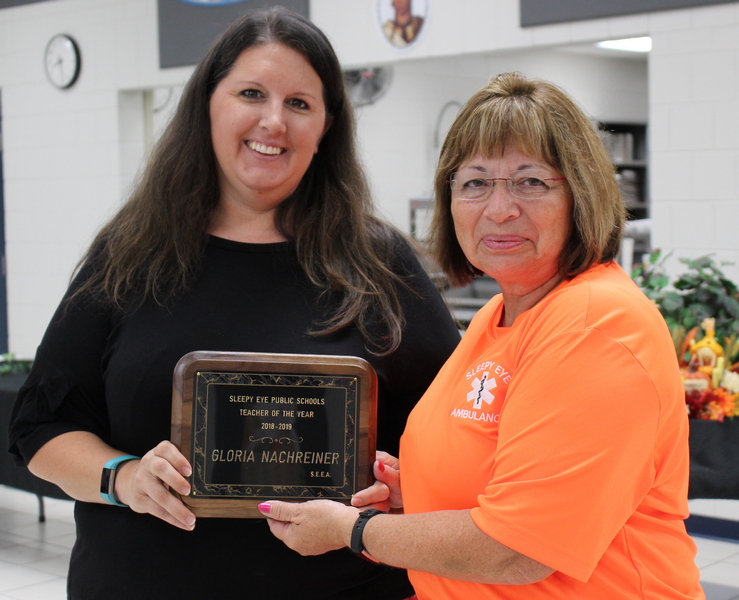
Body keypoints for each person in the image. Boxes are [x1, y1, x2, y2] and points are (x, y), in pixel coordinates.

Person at [7, 8, 460, 600]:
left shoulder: (380, 265)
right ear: (207, 106)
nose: (274, 120)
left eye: (299, 103)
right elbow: (42, 428)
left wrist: (403, 489)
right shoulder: (130, 254)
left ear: (326, 127)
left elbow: (460, 433)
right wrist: (126, 477)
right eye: (251, 94)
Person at [259, 72, 706, 599]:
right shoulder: (498, 316)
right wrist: (415, 499)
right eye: (475, 183)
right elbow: (499, 478)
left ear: (581, 194)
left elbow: (519, 549)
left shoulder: (595, 325)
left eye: (530, 182)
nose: (499, 209)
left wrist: (354, 531)